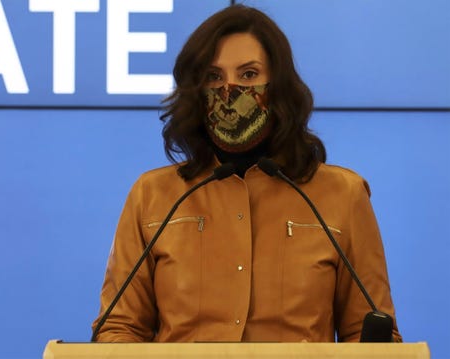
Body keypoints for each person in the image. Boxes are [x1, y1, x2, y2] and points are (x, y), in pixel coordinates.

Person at [92, 4, 401, 343]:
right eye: (214, 76)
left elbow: (371, 335)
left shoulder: (344, 194)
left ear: (279, 86)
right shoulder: (152, 195)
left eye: (249, 75)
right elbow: (120, 329)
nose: (229, 90)